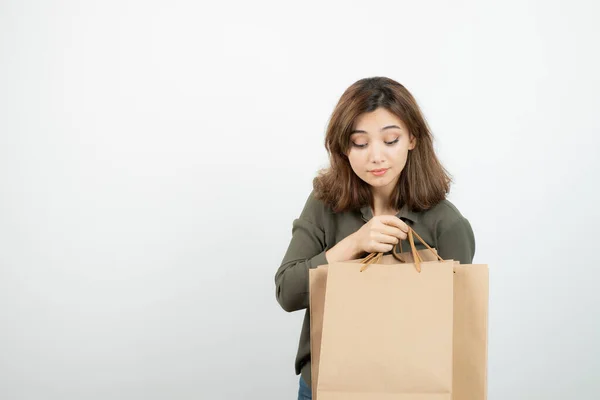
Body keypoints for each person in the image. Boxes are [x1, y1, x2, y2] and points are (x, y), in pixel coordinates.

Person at [274, 76, 476, 400]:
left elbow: (456, 330)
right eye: (360, 143)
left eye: (390, 140)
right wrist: (353, 245)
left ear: (412, 139)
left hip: (414, 389)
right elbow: (287, 292)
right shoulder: (325, 203)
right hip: (328, 384)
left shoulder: (447, 224)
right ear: (343, 147)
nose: (376, 157)